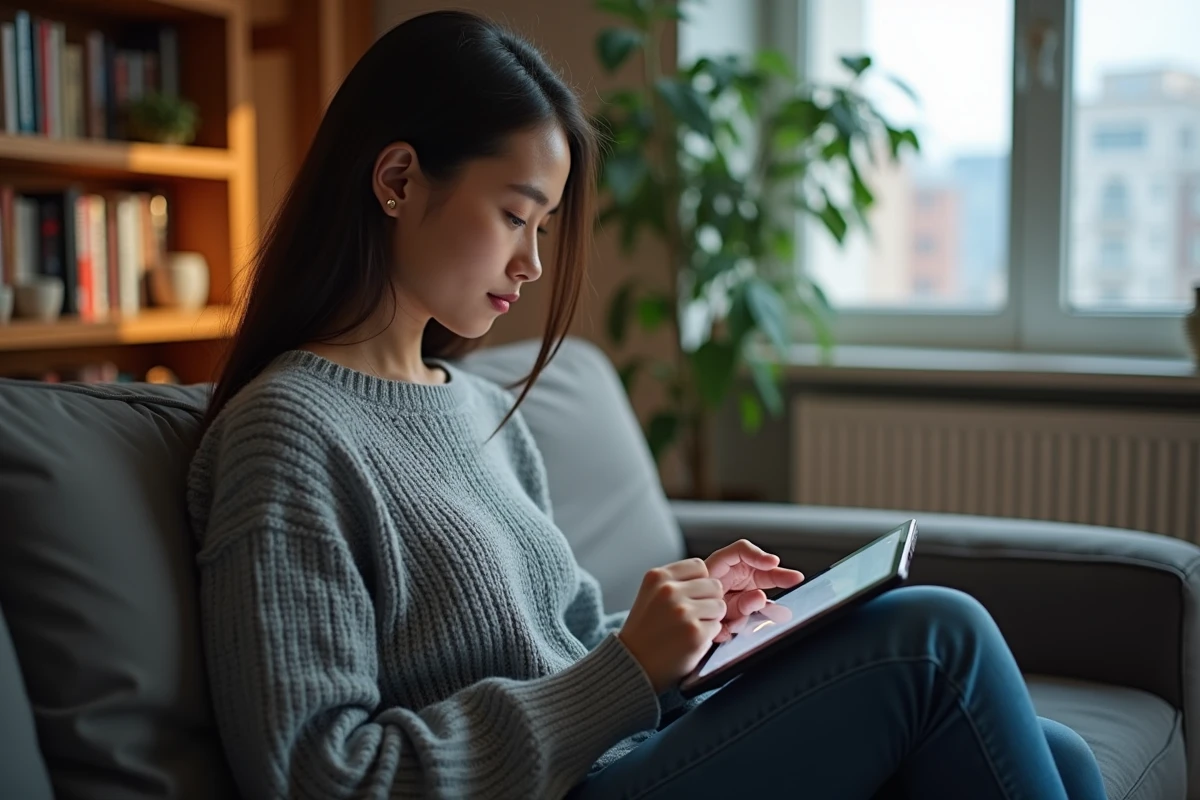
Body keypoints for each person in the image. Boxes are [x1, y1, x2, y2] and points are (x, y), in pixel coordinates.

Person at [186, 9, 1107, 799]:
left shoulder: (472, 407)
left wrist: (699, 638)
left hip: (625, 756)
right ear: (396, 181)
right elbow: (321, 775)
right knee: (935, 637)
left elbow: (574, 651)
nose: (534, 264)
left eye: (543, 227)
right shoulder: (289, 435)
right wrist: (628, 671)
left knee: (1050, 746)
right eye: (515, 215)